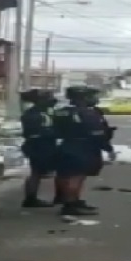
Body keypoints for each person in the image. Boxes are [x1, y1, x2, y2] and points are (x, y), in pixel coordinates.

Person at [53, 86, 115, 216]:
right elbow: (97, 133)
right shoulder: (88, 113)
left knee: (67, 175)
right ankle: (70, 205)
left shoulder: (60, 111)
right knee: (77, 177)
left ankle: (73, 201)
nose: (94, 99)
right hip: (83, 147)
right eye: (91, 96)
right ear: (82, 97)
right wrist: (108, 148)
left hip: (65, 145)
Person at [20, 89, 59, 208]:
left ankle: (31, 198)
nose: (52, 100)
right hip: (40, 146)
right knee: (36, 173)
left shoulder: (39, 112)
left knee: (36, 172)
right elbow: (37, 132)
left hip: (38, 145)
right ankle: (31, 198)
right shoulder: (36, 114)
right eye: (48, 98)